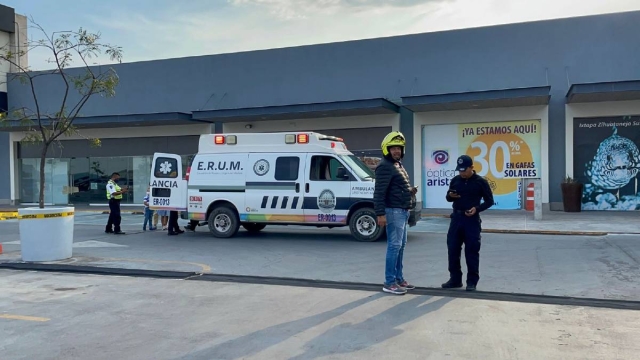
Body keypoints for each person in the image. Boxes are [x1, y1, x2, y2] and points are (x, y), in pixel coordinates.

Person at [373, 131, 417, 295]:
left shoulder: (397, 165)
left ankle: (399, 279)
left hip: (402, 210)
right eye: (393, 148)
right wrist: (380, 214)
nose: (397, 151)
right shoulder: (385, 166)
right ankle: (389, 282)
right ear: (387, 149)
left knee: (400, 246)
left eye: (399, 148)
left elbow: (395, 188)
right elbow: (379, 192)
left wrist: (409, 191)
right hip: (393, 212)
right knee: (394, 246)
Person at [442, 154, 494, 292]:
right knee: (453, 249)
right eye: (460, 170)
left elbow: (490, 201)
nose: (462, 173)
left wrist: (477, 209)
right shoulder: (455, 180)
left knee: (471, 251)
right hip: (456, 219)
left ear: (472, 167)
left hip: (472, 221)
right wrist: (450, 196)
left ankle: (472, 281)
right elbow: (449, 197)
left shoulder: (480, 182)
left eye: (464, 170)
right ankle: (455, 279)